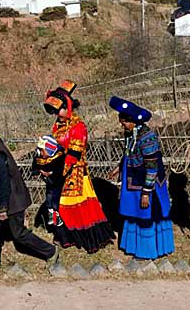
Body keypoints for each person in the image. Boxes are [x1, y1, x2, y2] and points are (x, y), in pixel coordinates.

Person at [0, 114, 58, 269]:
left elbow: (3, 182)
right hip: (5, 200)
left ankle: (51, 251)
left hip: (12, 200)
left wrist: (2, 208)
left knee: (19, 234)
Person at [43, 80, 114, 253]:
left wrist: (57, 171)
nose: (57, 114)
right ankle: (66, 237)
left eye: (59, 110)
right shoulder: (57, 126)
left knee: (78, 208)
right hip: (59, 171)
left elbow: (74, 154)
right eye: (55, 111)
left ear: (68, 107)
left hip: (75, 173)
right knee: (60, 207)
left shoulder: (78, 127)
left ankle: (87, 239)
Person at [108, 96, 174, 260]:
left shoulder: (147, 138)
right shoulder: (131, 134)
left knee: (146, 213)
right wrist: (119, 167)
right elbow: (129, 153)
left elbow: (152, 168)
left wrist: (146, 193)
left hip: (147, 184)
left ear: (133, 121)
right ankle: (134, 246)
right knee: (134, 212)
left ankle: (147, 251)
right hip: (134, 180)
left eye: (124, 122)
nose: (122, 125)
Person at [31, 135, 65, 227]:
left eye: (43, 151)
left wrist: (51, 173)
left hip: (59, 180)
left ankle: (57, 216)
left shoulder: (59, 156)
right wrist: (38, 171)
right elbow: (35, 166)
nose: (41, 154)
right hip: (49, 181)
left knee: (56, 199)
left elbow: (62, 169)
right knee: (49, 197)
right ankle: (51, 216)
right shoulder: (38, 155)